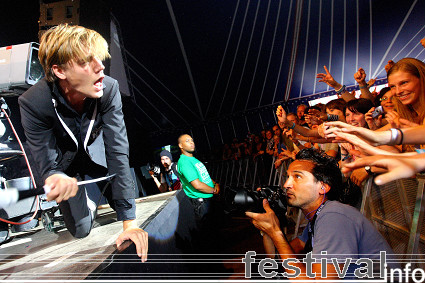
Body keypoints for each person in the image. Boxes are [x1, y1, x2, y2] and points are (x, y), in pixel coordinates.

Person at [18, 24, 148, 261]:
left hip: (99, 158)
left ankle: (113, 200)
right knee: (80, 230)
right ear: (59, 71)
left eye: (100, 57)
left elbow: (118, 150)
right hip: (66, 166)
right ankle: (85, 203)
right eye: (87, 61)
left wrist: (129, 224)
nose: (101, 66)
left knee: (127, 201)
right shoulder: (33, 102)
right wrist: (53, 176)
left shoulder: (108, 88)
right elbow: (44, 157)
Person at [246, 148, 397, 280]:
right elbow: (279, 261)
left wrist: (277, 233)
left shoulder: (334, 216)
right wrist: (268, 228)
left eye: (297, 177)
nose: (286, 185)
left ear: (322, 187)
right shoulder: (318, 218)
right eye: (288, 177)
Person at [177, 134, 219, 229]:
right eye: (187, 141)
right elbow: (197, 185)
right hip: (202, 203)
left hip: (208, 199)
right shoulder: (184, 162)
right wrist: (213, 190)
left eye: (192, 140)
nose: (191, 142)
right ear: (181, 145)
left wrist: (215, 184)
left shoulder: (193, 159)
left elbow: (204, 176)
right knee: (209, 233)